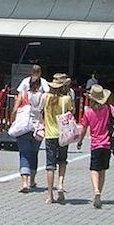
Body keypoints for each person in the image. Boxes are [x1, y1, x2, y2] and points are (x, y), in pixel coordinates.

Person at [76, 83, 114, 209]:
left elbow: (83, 129)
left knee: (94, 169)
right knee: (102, 170)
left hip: (95, 145)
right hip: (107, 144)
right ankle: (100, 193)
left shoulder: (88, 113)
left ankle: (96, 190)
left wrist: (80, 141)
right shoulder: (108, 108)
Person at [41, 73, 74, 204]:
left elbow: (41, 113)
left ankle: (50, 195)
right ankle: (60, 184)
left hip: (50, 134)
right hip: (63, 134)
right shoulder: (66, 99)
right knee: (62, 160)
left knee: (50, 165)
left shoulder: (46, 97)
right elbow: (71, 112)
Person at [11, 73, 45, 192]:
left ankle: (24, 182)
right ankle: (32, 181)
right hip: (37, 129)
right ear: (40, 85)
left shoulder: (23, 94)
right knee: (34, 154)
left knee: (24, 154)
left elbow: (15, 110)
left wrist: (13, 121)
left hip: (23, 128)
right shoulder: (43, 97)